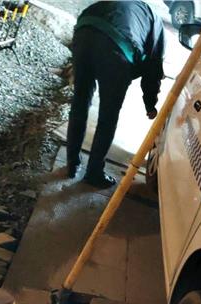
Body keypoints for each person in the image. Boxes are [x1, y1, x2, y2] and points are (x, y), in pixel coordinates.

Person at [66, 1, 165, 188]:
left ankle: (72, 164)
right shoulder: (155, 22)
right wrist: (150, 104)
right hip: (117, 46)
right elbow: (153, 69)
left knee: (80, 102)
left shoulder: (128, 7)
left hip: (84, 31)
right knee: (108, 116)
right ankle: (94, 173)